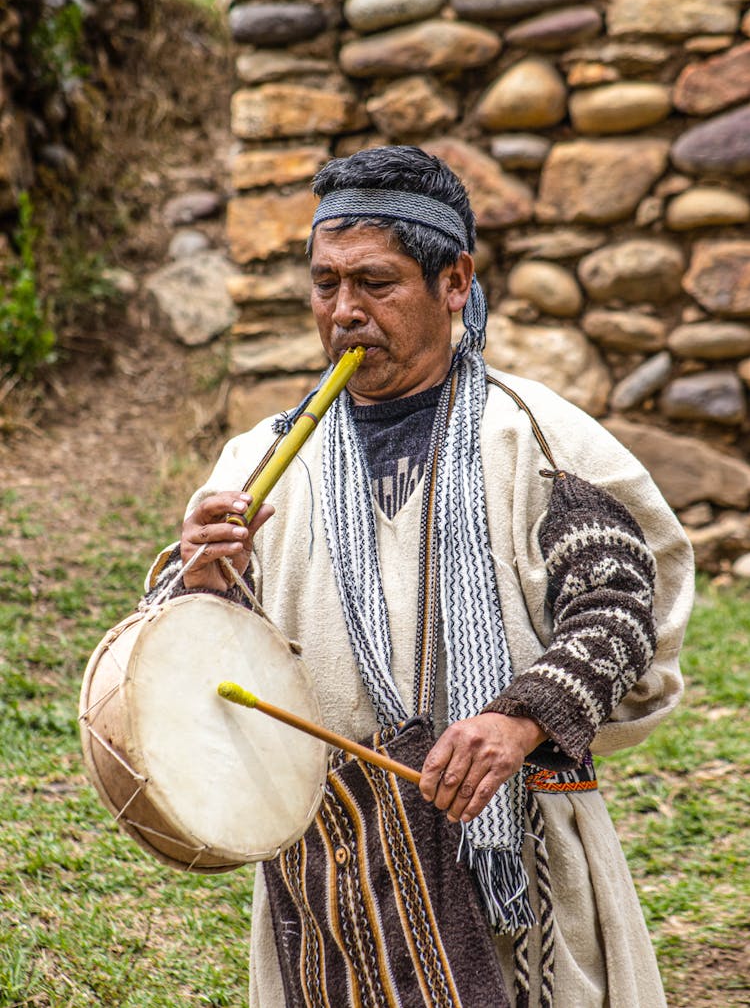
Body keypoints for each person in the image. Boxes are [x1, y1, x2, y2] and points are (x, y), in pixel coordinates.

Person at [145, 145, 694, 1007]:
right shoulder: (256, 462)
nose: (345, 312)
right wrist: (198, 585)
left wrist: (518, 719)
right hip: (328, 887)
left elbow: (620, 603)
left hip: (519, 879)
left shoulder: (535, 438)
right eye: (326, 285)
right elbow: (186, 668)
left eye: (376, 282)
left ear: (453, 283)